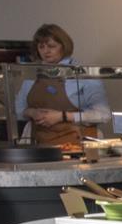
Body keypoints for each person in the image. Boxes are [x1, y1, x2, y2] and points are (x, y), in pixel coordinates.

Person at [13, 23, 109, 152]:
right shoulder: (33, 74)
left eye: (51, 46)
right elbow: (18, 109)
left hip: (77, 145)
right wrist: (32, 112)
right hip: (38, 145)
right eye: (41, 47)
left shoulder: (82, 74)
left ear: (64, 47)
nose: (46, 51)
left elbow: (103, 114)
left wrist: (62, 116)